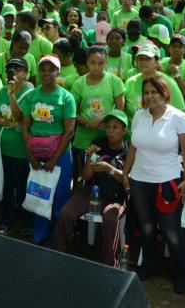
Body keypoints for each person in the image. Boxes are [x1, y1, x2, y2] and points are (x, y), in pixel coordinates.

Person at [123, 76, 185, 293]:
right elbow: (134, 148)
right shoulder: (138, 116)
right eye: (146, 93)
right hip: (140, 180)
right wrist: (126, 173)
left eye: (154, 92)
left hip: (168, 181)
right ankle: (151, 265)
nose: (149, 96)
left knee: (171, 232)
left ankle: (179, 273)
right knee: (146, 227)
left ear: (165, 94)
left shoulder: (179, 118)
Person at [54, 109, 129, 266]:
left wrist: (109, 169)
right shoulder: (99, 144)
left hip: (115, 196)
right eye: (108, 127)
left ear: (124, 130)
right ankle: (62, 256)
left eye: (115, 127)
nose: (110, 131)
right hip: (92, 191)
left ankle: (110, 265)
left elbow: (128, 180)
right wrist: (89, 157)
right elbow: (87, 176)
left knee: (110, 218)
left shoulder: (129, 150)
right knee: (65, 215)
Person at [20, 54, 77, 245]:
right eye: (43, 69)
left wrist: (54, 160)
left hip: (60, 156)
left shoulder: (66, 97)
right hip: (35, 154)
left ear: (57, 71)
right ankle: (40, 234)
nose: (46, 73)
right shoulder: (32, 95)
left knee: (60, 196)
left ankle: (58, 237)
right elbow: (26, 127)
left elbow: (69, 131)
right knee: (39, 194)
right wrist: (31, 156)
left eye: (51, 69)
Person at [0, 58, 35, 233]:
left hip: (21, 150)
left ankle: (27, 221)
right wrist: (4, 121)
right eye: (11, 70)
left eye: (18, 70)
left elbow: (19, 117)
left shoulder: (30, 92)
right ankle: (7, 217)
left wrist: (12, 94)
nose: (14, 73)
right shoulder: (2, 91)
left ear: (26, 73)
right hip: (3, 148)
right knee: (7, 185)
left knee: (22, 185)